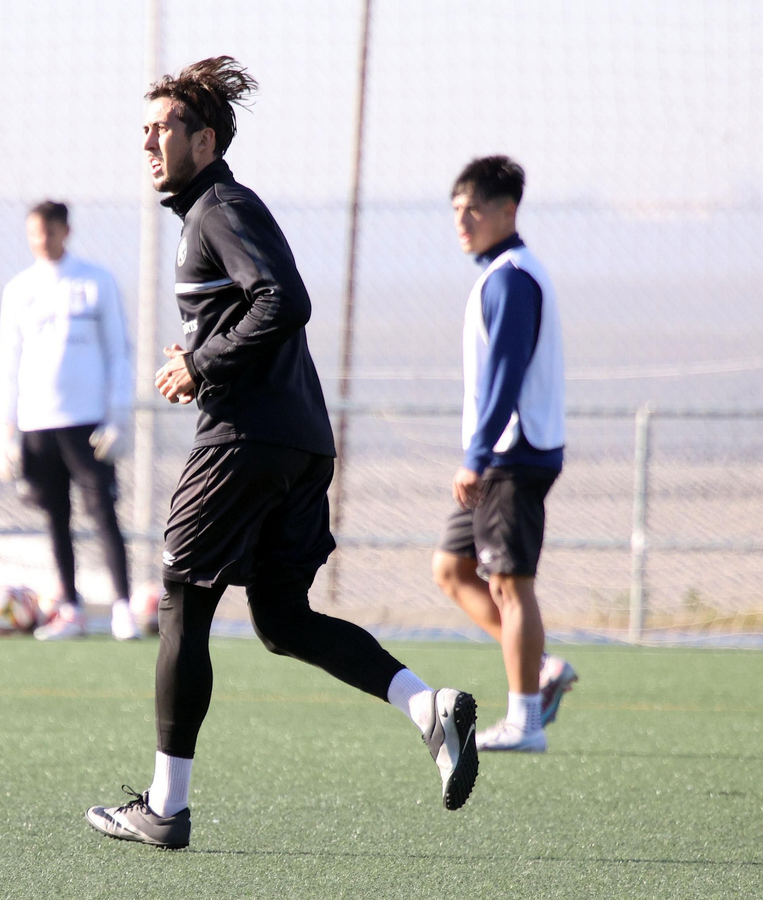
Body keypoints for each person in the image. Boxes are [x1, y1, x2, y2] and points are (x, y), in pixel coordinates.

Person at [85, 57, 479, 851]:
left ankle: (166, 807)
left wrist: (201, 364)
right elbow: (253, 313)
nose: (148, 141)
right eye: (145, 129)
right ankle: (425, 707)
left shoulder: (219, 207)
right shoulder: (212, 212)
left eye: (162, 128)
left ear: (206, 138)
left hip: (247, 443)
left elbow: (284, 300)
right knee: (282, 619)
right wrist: (199, 352)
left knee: (181, 601)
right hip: (297, 440)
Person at [431, 156, 576, 754]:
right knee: (451, 569)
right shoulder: (498, 274)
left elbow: (505, 376)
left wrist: (478, 454)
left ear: (508, 211)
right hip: (501, 455)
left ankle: (525, 721)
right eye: (456, 210)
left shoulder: (513, 278)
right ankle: (538, 669)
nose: (462, 220)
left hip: (512, 456)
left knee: (511, 584)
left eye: (475, 209)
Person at [0, 200, 139, 642]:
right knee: (55, 517)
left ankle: (122, 608)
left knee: (103, 513)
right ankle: (71, 608)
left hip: (89, 424)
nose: (42, 240)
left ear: (66, 231)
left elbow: (119, 351)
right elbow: (8, 362)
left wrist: (118, 416)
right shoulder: (19, 289)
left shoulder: (97, 282)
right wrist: (4, 430)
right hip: (38, 425)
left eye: (50, 232)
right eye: (35, 232)